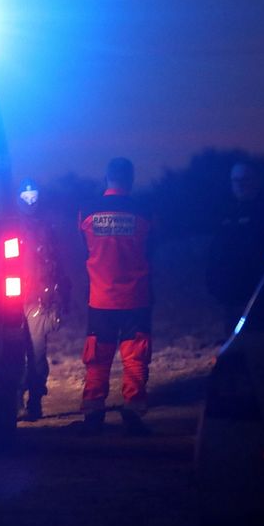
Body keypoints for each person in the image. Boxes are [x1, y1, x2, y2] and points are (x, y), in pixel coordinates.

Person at [77, 158, 154, 436]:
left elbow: (82, 250)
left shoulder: (87, 212)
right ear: (131, 179)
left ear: (106, 178)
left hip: (100, 297)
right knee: (135, 357)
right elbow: (152, 250)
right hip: (136, 297)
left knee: (98, 356)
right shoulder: (144, 212)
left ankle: (93, 413)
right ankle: (132, 411)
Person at [205, 161, 264, 337]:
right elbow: (217, 251)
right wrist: (214, 281)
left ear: (256, 181)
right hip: (232, 293)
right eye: (235, 180)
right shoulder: (227, 213)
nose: (240, 185)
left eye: (245, 180)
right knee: (233, 339)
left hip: (259, 292)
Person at [16, 177, 71, 422]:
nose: (30, 201)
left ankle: (35, 401)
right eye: (26, 197)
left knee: (37, 354)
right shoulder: (9, 225)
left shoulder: (47, 226)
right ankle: (15, 401)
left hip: (38, 299)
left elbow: (58, 263)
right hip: (10, 302)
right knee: (13, 354)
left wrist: (63, 296)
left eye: (34, 197)